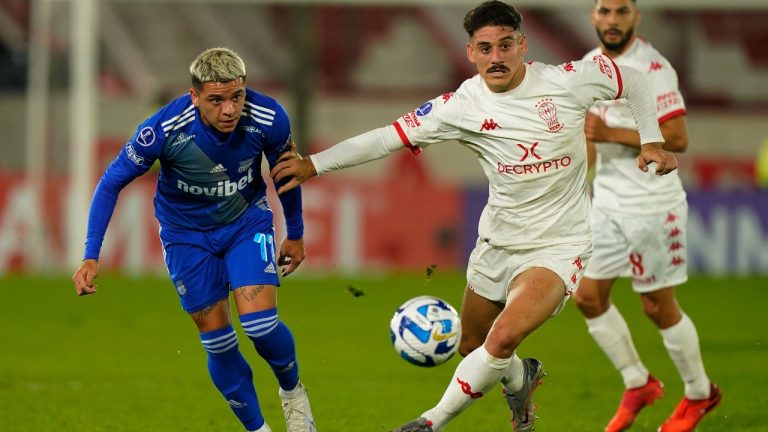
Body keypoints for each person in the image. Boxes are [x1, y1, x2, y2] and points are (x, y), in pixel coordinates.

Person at [271, 2, 678, 431]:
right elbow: (387, 137)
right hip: (497, 243)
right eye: (485, 48)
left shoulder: (568, 81)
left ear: (522, 45)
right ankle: (522, 381)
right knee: (473, 344)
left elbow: (632, 78)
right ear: (470, 53)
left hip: (560, 244)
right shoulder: (460, 105)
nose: (496, 57)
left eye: (505, 45)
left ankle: (430, 422)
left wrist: (650, 141)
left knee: (502, 338)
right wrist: (314, 164)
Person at [71, 48, 317, 432]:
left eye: (236, 97)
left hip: (245, 223)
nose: (229, 110)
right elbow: (110, 182)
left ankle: (293, 394)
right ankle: (259, 429)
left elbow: (287, 173)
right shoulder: (164, 129)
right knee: (218, 342)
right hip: (186, 236)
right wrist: (90, 255)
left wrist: (296, 233)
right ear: (195, 96)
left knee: (260, 326)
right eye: (216, 100)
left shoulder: (269, 117)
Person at [573, 1, 722, 432]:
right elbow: (587, 135)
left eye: (622, 11)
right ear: (593, 17)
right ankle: (638, 383)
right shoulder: (588, 66)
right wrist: (580, 184)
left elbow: (677, 138)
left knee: (656, 306)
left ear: (637, 17)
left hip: (652, 204)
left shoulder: (654, 68)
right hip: (608, 202)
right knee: (587, 296)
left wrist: (612, 134)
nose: (613, 20)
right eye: (605, 11)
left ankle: (699, 392)